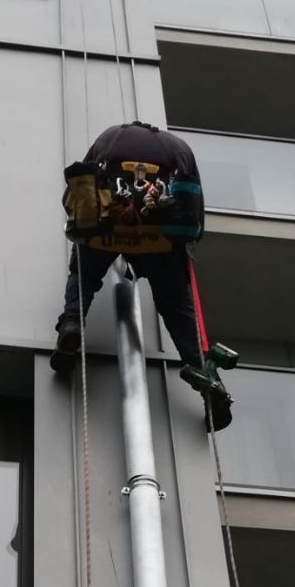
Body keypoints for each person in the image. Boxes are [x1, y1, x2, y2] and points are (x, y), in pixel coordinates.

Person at [51, 120, 232, 430]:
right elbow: (194, 210)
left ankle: (71, 323)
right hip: (159, 239)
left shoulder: (110, 137)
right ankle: (206, 376)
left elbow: (86, 184)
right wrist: (185, 244)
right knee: (176, 305)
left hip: (109, 226)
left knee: (84, 272)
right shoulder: (178, 149)